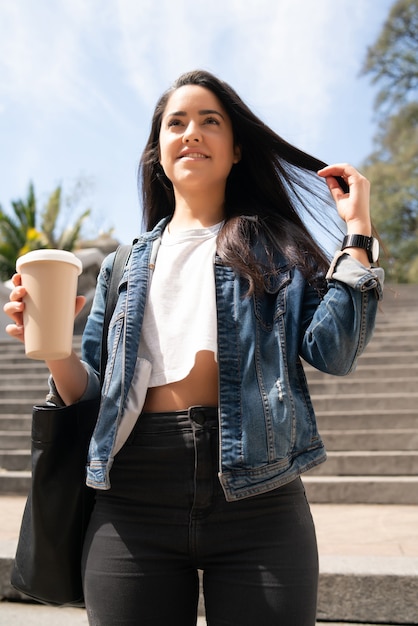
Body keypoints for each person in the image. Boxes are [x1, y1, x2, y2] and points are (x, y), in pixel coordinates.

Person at [4, 69, 384, 626]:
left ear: (234, 150)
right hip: (132, 497)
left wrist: (357, 236)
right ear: (158, 152)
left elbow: (335, 353)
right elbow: (89, 389)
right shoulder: (121, 266)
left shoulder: (276, 248)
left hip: (260, 493)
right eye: (176, 122)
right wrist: (54, 348)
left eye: (211, 121)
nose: (192, 132)